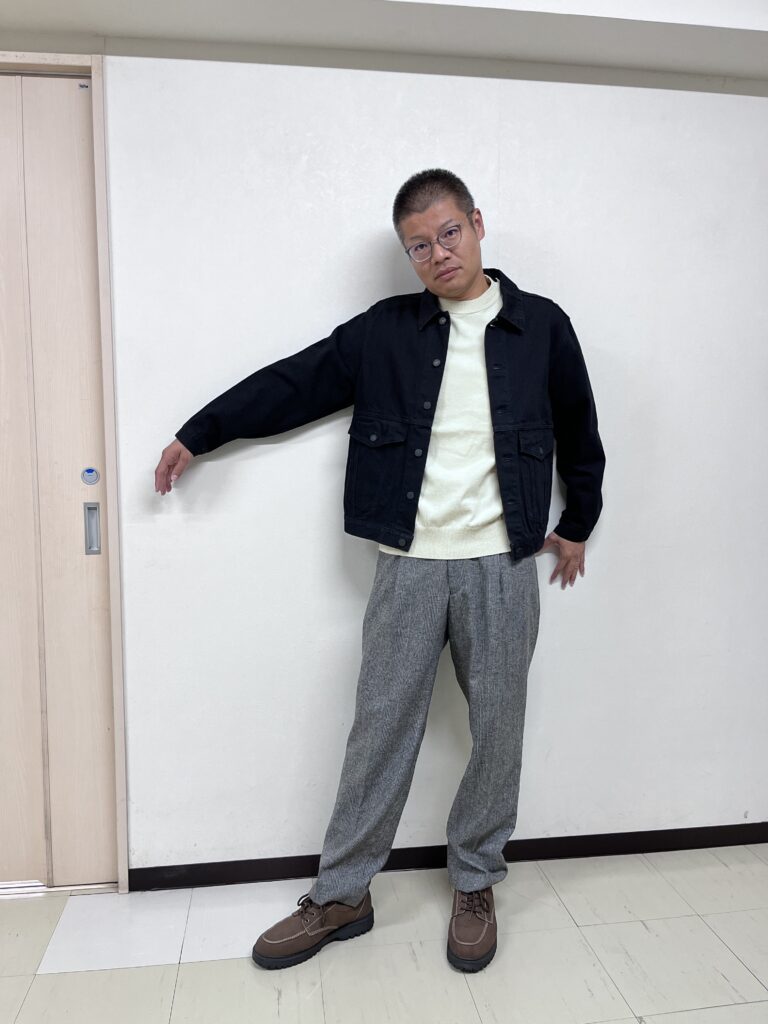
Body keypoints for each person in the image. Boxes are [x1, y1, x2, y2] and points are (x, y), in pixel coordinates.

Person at [154, 168, 605, 973]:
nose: (438, 254)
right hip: (409, 565)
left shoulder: (541, 324)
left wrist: (578, 523)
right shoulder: (385, 332)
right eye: (418, 246)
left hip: (502, 565)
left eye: (449, 233)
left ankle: (475, 879)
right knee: (380, 731)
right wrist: (202, 430)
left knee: (498, 731)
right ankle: (342, 894)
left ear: (477, 223)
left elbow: (580, 426)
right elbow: (294, 382)